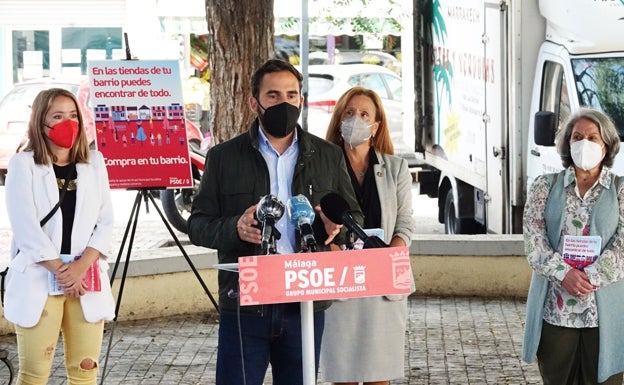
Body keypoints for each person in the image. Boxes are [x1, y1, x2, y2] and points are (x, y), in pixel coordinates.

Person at [187, 59, 361, 385]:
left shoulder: (327, 156)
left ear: (301, 101)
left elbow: (354, 218)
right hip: (246, 302)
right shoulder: (224, 157)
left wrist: (335, 228)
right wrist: (233, 228)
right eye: (273, 95)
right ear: (255, 103)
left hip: (306, 301)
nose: (284, 103)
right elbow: (197, 225)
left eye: (292, 95)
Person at [4, 88, 116, 384]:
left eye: (72, 115)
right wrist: (62, 272)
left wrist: (79, 269)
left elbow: (105, 223)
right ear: (40, 123)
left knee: (84, 373)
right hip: (39, 277)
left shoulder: (94, 163)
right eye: (57, 116)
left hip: (85, 281)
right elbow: (26, 228)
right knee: (34, 375)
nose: (67, 122)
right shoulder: (22, 165)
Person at [320, 86, 416, 385]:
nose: (355, 120)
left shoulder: (395, 167)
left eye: (364, 114)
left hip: (383, 280)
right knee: (343, 374)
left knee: (379, 376)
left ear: (375, 126)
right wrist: (333, 252)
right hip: (340, 278)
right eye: (349, 113)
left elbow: (405, 223)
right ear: (338, 120)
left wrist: (392, 254)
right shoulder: (322, 167)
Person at [522, 107, 624, 385]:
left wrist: (589, 277)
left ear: (607, 145)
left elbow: (623, 246)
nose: (585, 144)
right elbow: (534, 239)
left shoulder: (620, 189)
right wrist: (564, 273)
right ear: (567, 142)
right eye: (577, 136)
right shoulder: (544, 186)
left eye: (593, 138)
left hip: (605, 313)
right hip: (556, 311)